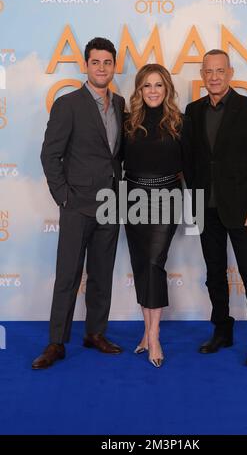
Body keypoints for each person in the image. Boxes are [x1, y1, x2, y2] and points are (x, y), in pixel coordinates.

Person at [32, 37, 125, 369]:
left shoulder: (120, 104)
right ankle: (56, 343)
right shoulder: (68, 104)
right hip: (76, 205)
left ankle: (95, 334)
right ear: (87, 65)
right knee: (68, 275)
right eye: (96, 62)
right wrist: (64, 197)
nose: (102, 68)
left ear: (114, 66)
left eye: (107, 62)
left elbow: (117, 155)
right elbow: (50, 154)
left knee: (101, 274)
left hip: (110, 205)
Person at [185, 49, 247, 367]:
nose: (214, 77)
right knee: (214, 274)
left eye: (220, 71)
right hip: (205, 209)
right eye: (208, 71)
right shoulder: (192, 111)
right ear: (202, 75)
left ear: (231, 73)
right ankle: (222, 331)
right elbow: (190, 161)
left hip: (242, 210)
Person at [123, 63, 191, 367]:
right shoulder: (126, 123)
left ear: (167, 89)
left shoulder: (180, 122)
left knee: (154, 262)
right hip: (132, 197)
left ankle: (154, 335)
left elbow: (193, 167)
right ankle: (146, 333)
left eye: (158, 85)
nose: (152, 91)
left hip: (168, 196)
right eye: (147, 85)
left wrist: (198, 209)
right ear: (139, 90)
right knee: (141, 265)